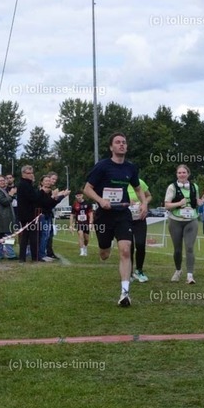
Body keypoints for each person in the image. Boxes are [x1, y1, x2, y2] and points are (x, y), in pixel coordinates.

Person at [83, 132, 147, 307]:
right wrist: (101, 200)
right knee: (104, 254)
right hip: (104, 216)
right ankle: (106, 245)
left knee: (126, 250)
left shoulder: (130, 168)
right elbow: (87, 189)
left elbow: (138, 188)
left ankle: (125, 293)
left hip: (122, 214)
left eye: (124, 142)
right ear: (111, 147)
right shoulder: (102, 166)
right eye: (118, 142)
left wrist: (144, 203)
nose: (121, 145)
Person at [164, 164, 203, 284]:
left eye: (184, 172)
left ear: (188, 174)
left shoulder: (194, 186)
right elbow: (167, 205)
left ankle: (190, 275)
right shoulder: (172, 187)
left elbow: (196, 202)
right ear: (176, 175)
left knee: (189, 247)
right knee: (177, 250)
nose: (181, 175)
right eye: (179, 173)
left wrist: (199, 203)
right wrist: (179, 203)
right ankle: (178, 270)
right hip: (175, 221)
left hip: (191, 220)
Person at [17, 165, 46, 263]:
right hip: (28, 215)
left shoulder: (27, 184)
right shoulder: (24, 185)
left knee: (26, 236)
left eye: (32, 173)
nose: (31, 175)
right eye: (29, 173)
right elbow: (33, 198)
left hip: (27, 214)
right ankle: (33, 257)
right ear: (23, 174)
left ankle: (24, 257)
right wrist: (41, 191)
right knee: (31, 236)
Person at [38, 174, 70, 262]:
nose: (48, 182)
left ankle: (44, 253)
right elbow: (45, 203)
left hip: (48, 215)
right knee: (44, 235)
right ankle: (41, 254)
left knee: (47, 235)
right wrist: (57, 197)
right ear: (41, 182)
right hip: (43, 215)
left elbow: (52, 204)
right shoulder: (41, 192)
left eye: (49, 181)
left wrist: (57, 197)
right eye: (46, 181)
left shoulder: (48, 192)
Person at [128, 178, 152, 282]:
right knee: (129, 246)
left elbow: (149, 196)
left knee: (140, 244)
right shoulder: (120, 182)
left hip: (140, 218)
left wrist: (144, 203)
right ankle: (128, 272)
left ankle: (139, 270)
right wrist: (126, 202)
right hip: (125, 220)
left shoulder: (140, 182)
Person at [0, 175, 17, 260]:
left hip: (4, 217)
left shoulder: (3, 190)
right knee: (6, 236)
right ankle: (10, 254)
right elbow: (4, 202)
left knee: (3, 236)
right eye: (1, 180)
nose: (3, 182)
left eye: (4, 180)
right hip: (2, 217)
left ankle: (2, 254)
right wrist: (11, 195)